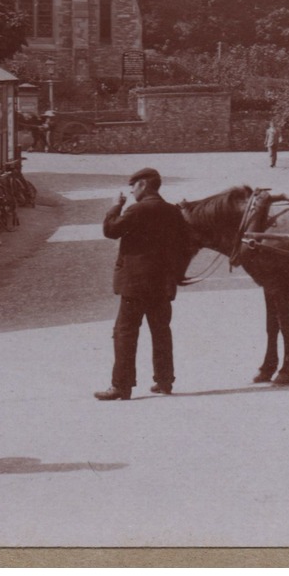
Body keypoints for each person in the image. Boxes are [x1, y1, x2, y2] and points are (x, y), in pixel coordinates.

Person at [95, 166, 191, 401]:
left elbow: (110, 230)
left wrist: (116, 205)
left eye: (133, 185)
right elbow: (184, 246)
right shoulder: (172, 212)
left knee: (124, 333)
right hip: (162, 284)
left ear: (143, 184)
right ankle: (165, 381)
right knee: (161, 332)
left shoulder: (136, 210)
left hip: (135, 284)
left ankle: (121, 386)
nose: (131, 190)